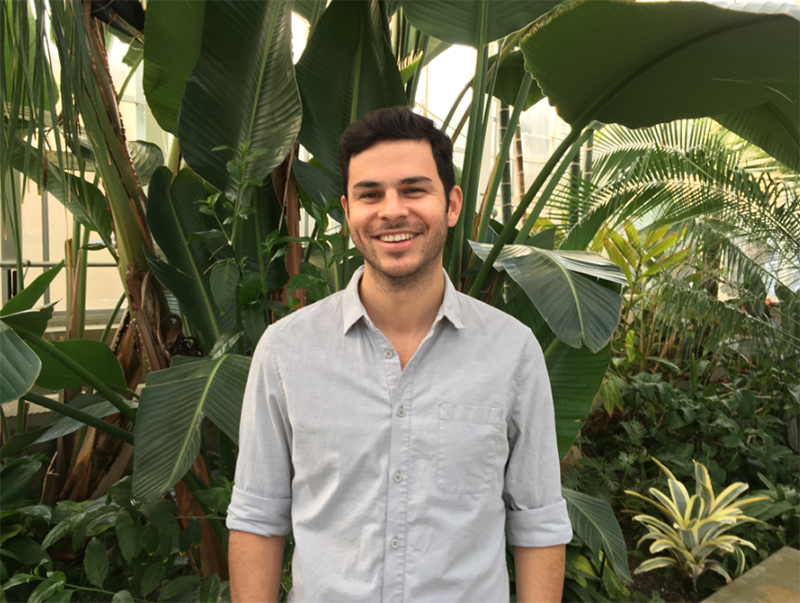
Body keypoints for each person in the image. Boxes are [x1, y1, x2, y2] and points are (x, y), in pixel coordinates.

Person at [227, 106, 572, 603]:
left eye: (414, 190)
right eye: (371, 194)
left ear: (451, 204)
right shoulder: (286, 353)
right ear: (348, 213)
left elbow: (537, 522)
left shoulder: (512, 353)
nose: (392, 210)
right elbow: (258, 517)